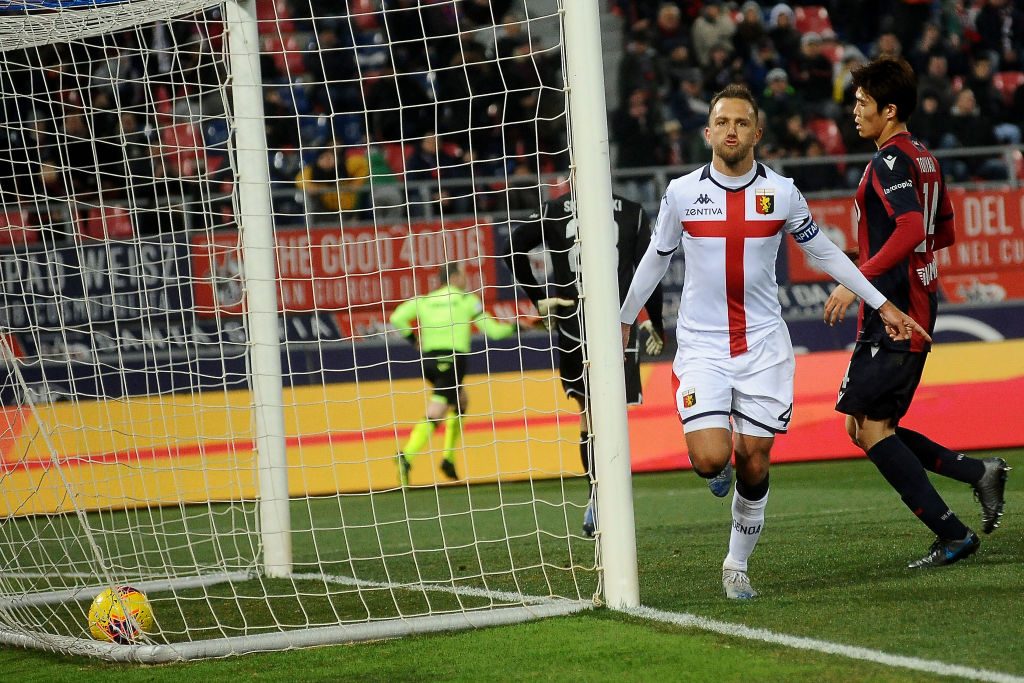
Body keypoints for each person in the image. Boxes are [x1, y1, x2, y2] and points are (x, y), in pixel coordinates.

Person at [618, 84, 929, 600]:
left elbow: (826, 254)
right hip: (703, 347)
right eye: (723, 123)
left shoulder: (782, 193)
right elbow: (655, 258)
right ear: (708, 132)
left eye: (742, 123)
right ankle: (713, 457)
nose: (732, 131)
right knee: (711, 459)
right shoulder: (680, 193)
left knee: (755, 458)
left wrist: (881, 304)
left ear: (757, 133)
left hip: (762, 345)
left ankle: (736, 564)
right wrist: (625, 319)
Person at [823, 57, 1010, 570]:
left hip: (897, 309)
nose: (854, 112)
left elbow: (908, 228)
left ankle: (953, 533)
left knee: (871, 429)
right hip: (909, 298)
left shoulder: (887, 162)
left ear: (889, 109)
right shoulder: (924, 156)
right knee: (864, 426)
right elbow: (941, 230)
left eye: (862, 104)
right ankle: (977, 474)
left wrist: (855, 279)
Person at [501, 193, 665, 538]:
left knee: (589, 415)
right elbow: (651, 268)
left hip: (573, 322)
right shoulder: (634, 211)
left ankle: (595, 498)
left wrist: (538, 296)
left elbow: (511, 247)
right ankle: (609, 501)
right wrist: (656, 322)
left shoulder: (555, 208)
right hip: (617, 323)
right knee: (612, 416)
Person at [390, 262, 516, 485]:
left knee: (460, 401)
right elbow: (494, 332)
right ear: (455, 277)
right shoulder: (466, 300)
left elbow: (396, 318)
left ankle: (448, 458)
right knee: (438, 407)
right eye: (464, 275)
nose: (466, 279)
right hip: (452, 360)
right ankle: (406, 456)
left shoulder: (425, 300)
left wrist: (412, 339)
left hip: (428, 361)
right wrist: (517, 327)